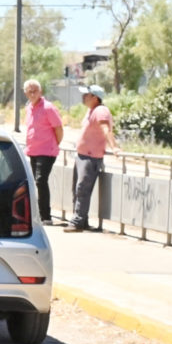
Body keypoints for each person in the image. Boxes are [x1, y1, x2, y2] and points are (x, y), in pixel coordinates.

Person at [66, 86, 114, 232]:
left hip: (90, 157)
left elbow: (106, 129)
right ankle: (81, 220)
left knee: (82, 188)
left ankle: (78, 222)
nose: (83, 97)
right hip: (83, 155)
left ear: (95, 97)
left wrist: (114, 146)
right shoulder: (91, 111)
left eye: (86, 95)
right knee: (77, 189)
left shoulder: (100, 111)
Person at [22, 78, 65, 227]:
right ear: (26, 93)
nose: (32, 93)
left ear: (40, 91)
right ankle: (39, 214)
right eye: (29, 91)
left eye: (35, 90)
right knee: (36, 182)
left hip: (46, 151)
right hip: (33, 151)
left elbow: (59, 128)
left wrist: (54, 144)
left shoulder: (48, 108)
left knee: (41, 180)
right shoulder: (29, 108)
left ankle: (46, 216)